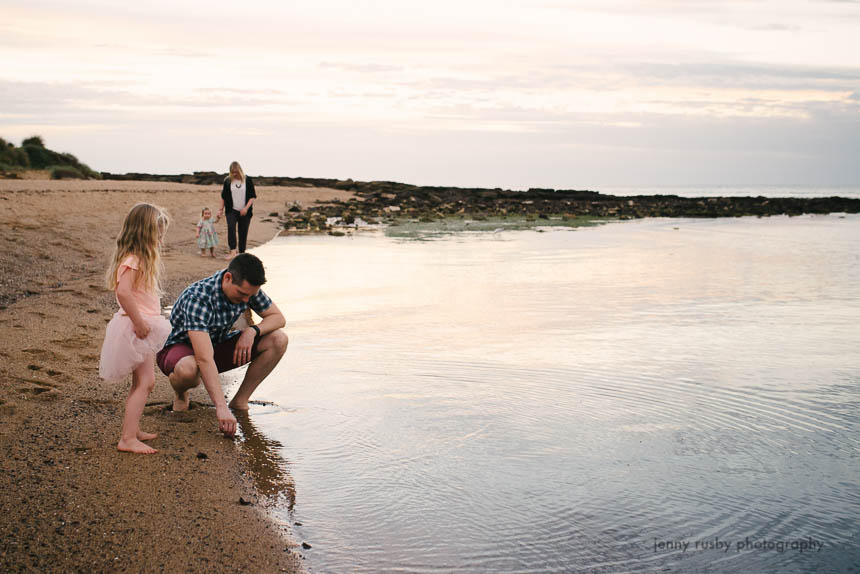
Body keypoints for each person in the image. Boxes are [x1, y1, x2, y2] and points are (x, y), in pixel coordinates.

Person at [156, 253, 288, 436]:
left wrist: (252, 331)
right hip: (179, 350)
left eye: (249, 296)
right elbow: (203, 358)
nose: (245, 301)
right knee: (189, 370)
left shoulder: (247, 290)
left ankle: (240, 401)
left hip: (215, 345)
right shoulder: (198, 297)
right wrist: (221, 408)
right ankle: (181, 394)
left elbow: (278, 318)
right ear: (228, 278)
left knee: (278, 339)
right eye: (241, 294)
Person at [99, 203, 172, 454]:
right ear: (144, 233)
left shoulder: (139, 258)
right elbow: (123, 292)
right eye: (157, 233)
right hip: (136, 326)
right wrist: (140, 322)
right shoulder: (134, 259)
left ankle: (133, 428)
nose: (161, 239)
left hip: (143, 325)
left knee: (140, 381)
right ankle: (128, 438)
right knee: (147, 382)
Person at [218, 161, 256, 260]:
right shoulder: (227, 181)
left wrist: (246, 208)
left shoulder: (247, 180)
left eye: (236, 172)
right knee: (231, 228)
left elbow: (252, 196)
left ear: (240, 170)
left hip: (245, 211)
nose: (234, 174)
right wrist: (220, 210)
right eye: (232, 172)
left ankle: (242, 253)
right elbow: (223, 196)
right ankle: (233, 252)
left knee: (243, 231)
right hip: (231, 210)